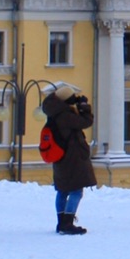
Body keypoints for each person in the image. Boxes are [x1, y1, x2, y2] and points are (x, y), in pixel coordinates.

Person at [42, 84, 97, 235]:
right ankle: (67, 223)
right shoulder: (65, 116)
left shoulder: (55, 113)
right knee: (76, 191)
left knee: (63, 190)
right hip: (72, 158)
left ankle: (61, 222)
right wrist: (84, 107)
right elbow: (86, 122)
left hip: (61, 158)